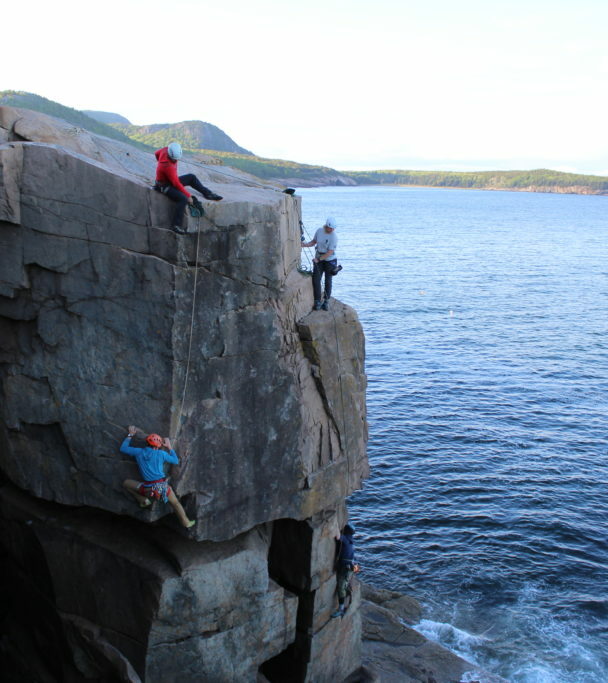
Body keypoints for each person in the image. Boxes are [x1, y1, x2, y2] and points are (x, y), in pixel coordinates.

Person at [120, 425, 195, 529]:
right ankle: (186, 522)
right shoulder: (161, 454)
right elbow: (175, 461)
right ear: (158, 446)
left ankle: (143, 500)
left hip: (147, 490)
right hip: (163, 488)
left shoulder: (139, 452)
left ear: (147, 443)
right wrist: (169, 447)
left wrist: (130, 435)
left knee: (126, 483)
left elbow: (123, 448)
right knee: (176, 503)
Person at [154, 142, 223, 234]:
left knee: (191, 177)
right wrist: (188, 195)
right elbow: (176, 184)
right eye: (173, 159)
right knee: (183, 199)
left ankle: (208, 194)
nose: (175, 161)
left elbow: (156, 153)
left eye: (176, 159)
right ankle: (176, 225)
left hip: (169, 180)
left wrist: (160, 166)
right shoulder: (168, 166)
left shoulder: (165, 150)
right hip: (164, 185)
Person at [302, 217, 339, 311]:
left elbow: (330, 252)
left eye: (333, 229)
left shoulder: (334, 237)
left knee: (328, 280)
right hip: (319, 256)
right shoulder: (319, 231)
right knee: (316, 279)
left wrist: (318, 259)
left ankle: (326, 301)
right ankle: (317, 301)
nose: (332, 230)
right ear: (326, 226)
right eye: (330, 228)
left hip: (330, 260)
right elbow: (314, 242)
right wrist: (304, 245)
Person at [331, 523, 357, 618]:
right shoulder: (351, 541)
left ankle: (341, 609)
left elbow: (338, 536)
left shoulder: (345, 540)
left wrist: (335, 524)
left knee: (340, 587)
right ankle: (347, 593)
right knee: (344, 583)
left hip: (345, 567)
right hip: (350, 566)